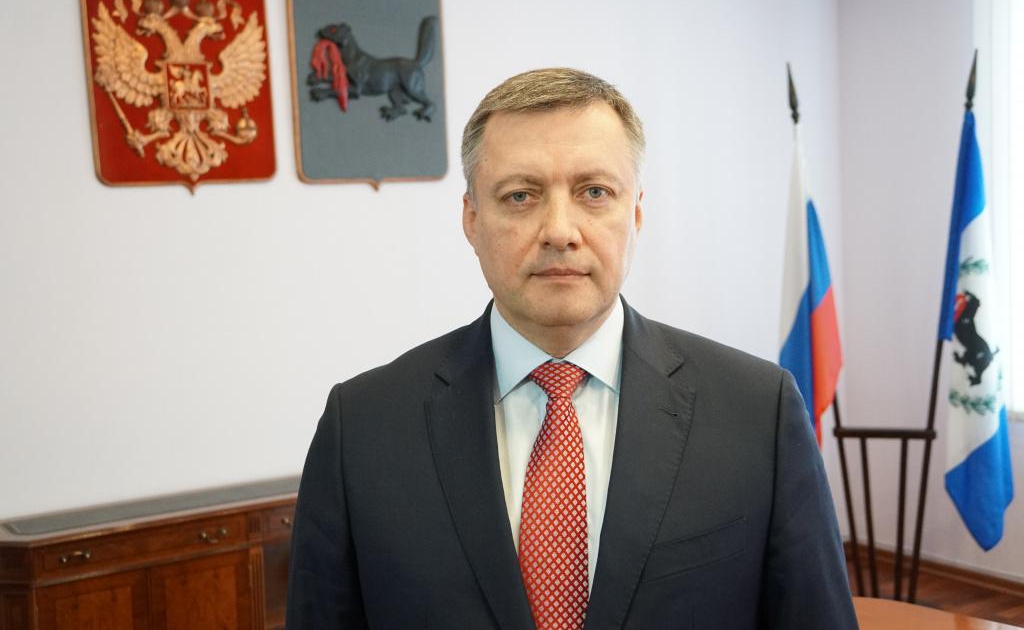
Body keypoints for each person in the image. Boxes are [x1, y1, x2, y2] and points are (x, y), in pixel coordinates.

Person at [286, 68, 858, 629]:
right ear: (472, 219)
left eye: (594, 192)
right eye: (520, 195)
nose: (560, 230)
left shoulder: (758, 412)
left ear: (636, 213)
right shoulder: (361, 428)